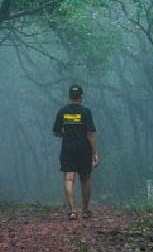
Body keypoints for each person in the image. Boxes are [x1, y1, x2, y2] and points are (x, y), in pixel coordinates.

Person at [52, 83, 98, 219]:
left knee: (69, 177)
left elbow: (56, 132)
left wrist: (66, 135)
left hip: (68, 148)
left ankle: (72, 211)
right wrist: (95, 152)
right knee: (85, 177)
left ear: (69, 97)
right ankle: (85, 209)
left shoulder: (62, 112)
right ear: (81, 97)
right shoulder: (86, 112)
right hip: (84, 148)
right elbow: (90, 133)